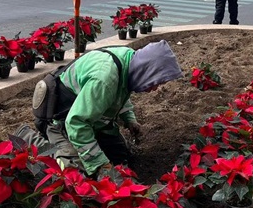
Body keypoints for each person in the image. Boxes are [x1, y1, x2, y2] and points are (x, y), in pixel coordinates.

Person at [32, 40, 183, 176]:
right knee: (76, 173)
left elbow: (121, 90)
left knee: (120, 156)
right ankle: (36, 141)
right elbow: (76, 123)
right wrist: (100, 165)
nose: (156, 88)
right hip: (61, 120)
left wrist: (129, 119)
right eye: (156, 82)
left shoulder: (130, 59)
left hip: (90, 116)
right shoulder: (104, 78)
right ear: (146, 71)